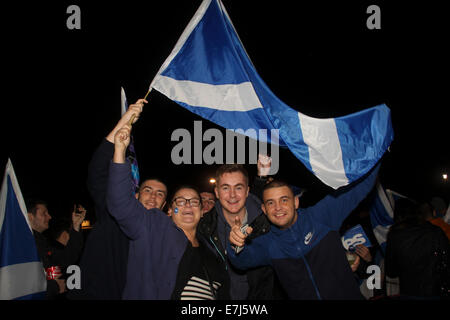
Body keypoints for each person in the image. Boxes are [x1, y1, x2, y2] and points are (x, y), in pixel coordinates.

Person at [106, 123, 229, 299]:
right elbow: (119, 204)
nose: (188, 205)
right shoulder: (153, 226)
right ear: (170, 210)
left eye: (194, 202)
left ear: (202, 211)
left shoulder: (211, 248)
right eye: (180, 201)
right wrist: (119, 151)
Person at [227, 163, 380, 299]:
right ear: (264, 210)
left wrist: (377, 150)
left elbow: (360, 186)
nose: (278, 207)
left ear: (296, 202)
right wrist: (235, 243)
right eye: (271, 203)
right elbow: (240, 261)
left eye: (284, 200)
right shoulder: (269, 244)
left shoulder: (321, 216)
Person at [68, 99, 168, 300]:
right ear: (136, 195)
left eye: (160, 194)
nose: (153, 196)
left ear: (165, 204)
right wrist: (125, 122)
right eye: (147, 190)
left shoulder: (163, 234)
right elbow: (98, 171)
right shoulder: (114, 214)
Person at [197, 163, 285, 300]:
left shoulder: (268, 224)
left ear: (247, 191)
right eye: (225, 188)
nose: (232, 195)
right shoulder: (204, 228)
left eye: (238, 187)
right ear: (217, 192)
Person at [385, 200, 450, 298]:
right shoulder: (436, 231)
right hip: (436, 292)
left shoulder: (395, 235)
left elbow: (391, 272)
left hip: (409, 293)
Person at [27, 199, 85, 299]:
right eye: (44, 214)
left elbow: (66, 258)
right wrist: (55, 287)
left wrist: (76, 226)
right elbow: (26, 283)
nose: (49, 217)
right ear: (30, 217)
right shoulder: (24, 245)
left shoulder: (41, 242)